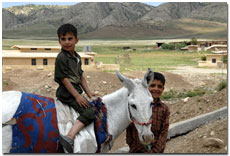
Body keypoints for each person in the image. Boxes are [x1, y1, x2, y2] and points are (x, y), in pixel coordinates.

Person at [54, 23, 98, 153]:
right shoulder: (62, 57)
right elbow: (64, 79)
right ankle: (69, 136)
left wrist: (89, 93)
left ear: (76, 40)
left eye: (70, 38)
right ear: (59, 41)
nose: (67, 42)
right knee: (89, 113)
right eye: (63, 39)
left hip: (75, 89)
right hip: (66, 92)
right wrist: (77, 96)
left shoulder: (77, 57)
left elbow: (81, 76)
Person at [126, 72, 170, 153]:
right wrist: (133, 146)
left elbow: (164, 133)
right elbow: (129, 129)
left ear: (163, 89)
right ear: (146, 87)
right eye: (152, 85)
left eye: (159, 86)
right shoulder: (136, 106)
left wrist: (155, 151)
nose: (156, 89)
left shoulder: (164, 109)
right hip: (136, 150)